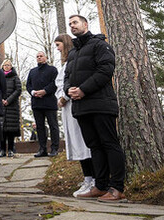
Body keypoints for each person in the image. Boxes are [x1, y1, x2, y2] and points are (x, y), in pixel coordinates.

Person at [65, 14, 127, 202]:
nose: (72, 26)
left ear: (85, 24)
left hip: (101, 104)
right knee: (94, 146)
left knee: (109, 144)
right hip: (81, 107)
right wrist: (69, 90)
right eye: (70, 24)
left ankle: (117, 187)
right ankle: (100, 186)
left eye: (75, 22)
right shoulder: (73, 53)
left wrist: (83, 89)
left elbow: (106, 70)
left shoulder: (100, 45)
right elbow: (67, 76)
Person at [54, 34, 96, 197]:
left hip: (76, 104)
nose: (57, 49)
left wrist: (65, 96)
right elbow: (60, 83)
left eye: (59, 45)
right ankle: (87, 177)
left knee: (83, 143)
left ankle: (92, 179)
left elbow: (73, 81)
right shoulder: (64, 64)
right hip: (67, 108)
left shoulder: (75, 60)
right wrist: (60, 97)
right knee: (77, 144)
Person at [27, 50, 60, 157]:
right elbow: (28, 85)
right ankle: (42, 149)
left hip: (49, 102)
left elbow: (55, 84)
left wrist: (44, 91)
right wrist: (33, 92)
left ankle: (55, 148)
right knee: (40, 127)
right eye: (37, 56)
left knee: (53, 126)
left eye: (41, 56)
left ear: (45, 57)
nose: (39, 58)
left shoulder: (52, 70)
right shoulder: (32, 71)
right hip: (36, 103)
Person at [0, 59, 22, 157]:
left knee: (11, 130)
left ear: (11, 67)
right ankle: (3, 150)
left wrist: (8, 100)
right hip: (1, 106)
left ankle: (11, 149)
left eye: (8, 65)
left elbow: (18, 90)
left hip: (12, 107)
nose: (6, 66)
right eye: (5, 65)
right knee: (2, 130)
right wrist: (1, 100)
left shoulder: (15, 77)